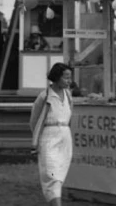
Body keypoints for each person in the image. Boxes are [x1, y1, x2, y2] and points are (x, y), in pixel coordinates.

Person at [29, 63, 74, 206]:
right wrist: (36, 140)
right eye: (66, 77)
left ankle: (54, 200)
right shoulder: (44, 96)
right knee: (51, 172)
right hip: (49, 136)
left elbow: (70, 115)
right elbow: (35, 120)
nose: (69, 81)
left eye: (70, 78)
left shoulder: (68, 95)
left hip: (65, 136)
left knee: (59, 172)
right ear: (56, 78)